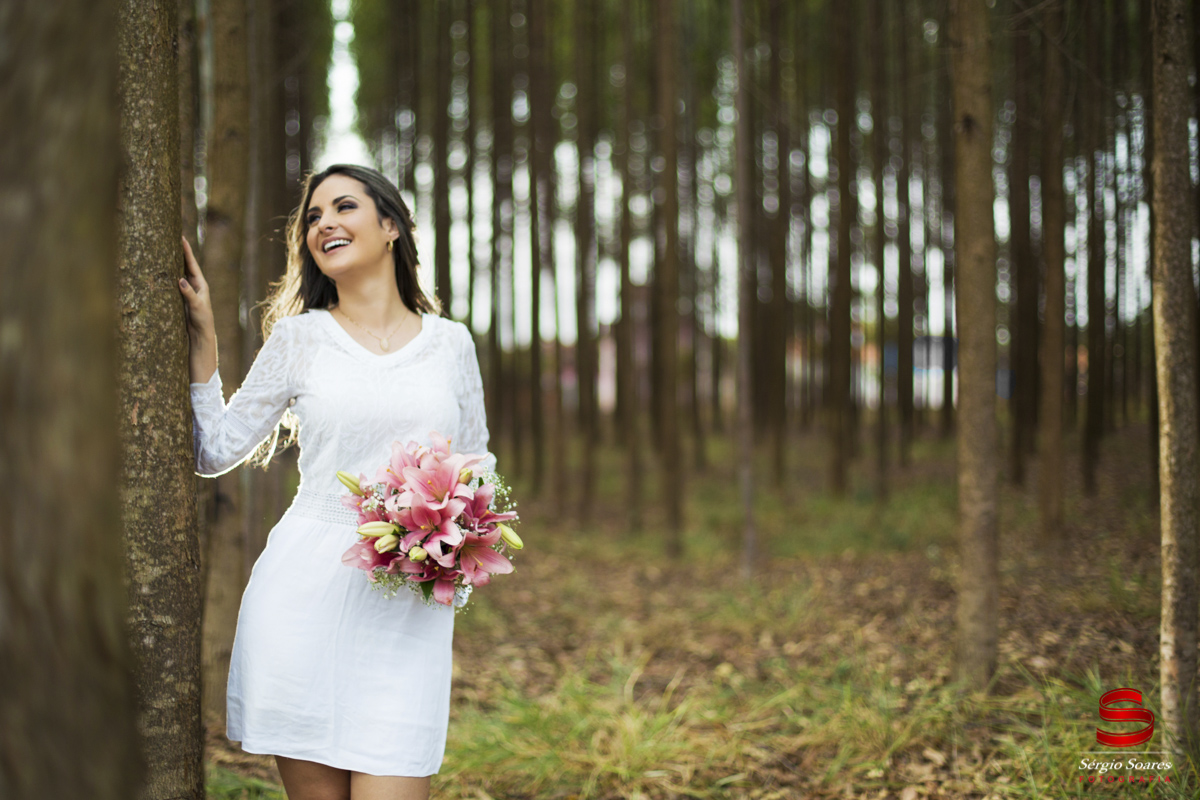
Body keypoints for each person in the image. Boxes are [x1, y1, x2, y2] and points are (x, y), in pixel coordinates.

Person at [179, 164, 495, 800]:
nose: (324, 224)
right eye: (313, 218)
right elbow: (213, 450)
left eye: (343, 207)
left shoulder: (450, 344)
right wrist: (205, 338)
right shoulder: (300, 338)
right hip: (303, 599)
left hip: (407, 613)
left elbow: (477, 467)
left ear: (391, 227)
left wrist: (452, 542)